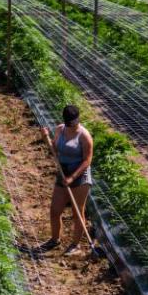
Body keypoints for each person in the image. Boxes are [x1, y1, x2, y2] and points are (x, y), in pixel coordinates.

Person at [42, 104, 93, 254]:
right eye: (69, 123)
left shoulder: (84, 137)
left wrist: (72, 178)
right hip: (63, 173)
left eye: (74, 122)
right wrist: (46, 138)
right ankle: (54, 239)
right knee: (55, 210)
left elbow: (87, 161)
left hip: (79, 177)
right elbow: (55, 148)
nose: (71, 125)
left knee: (78, 212)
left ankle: (75, 245)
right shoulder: (60, 129)